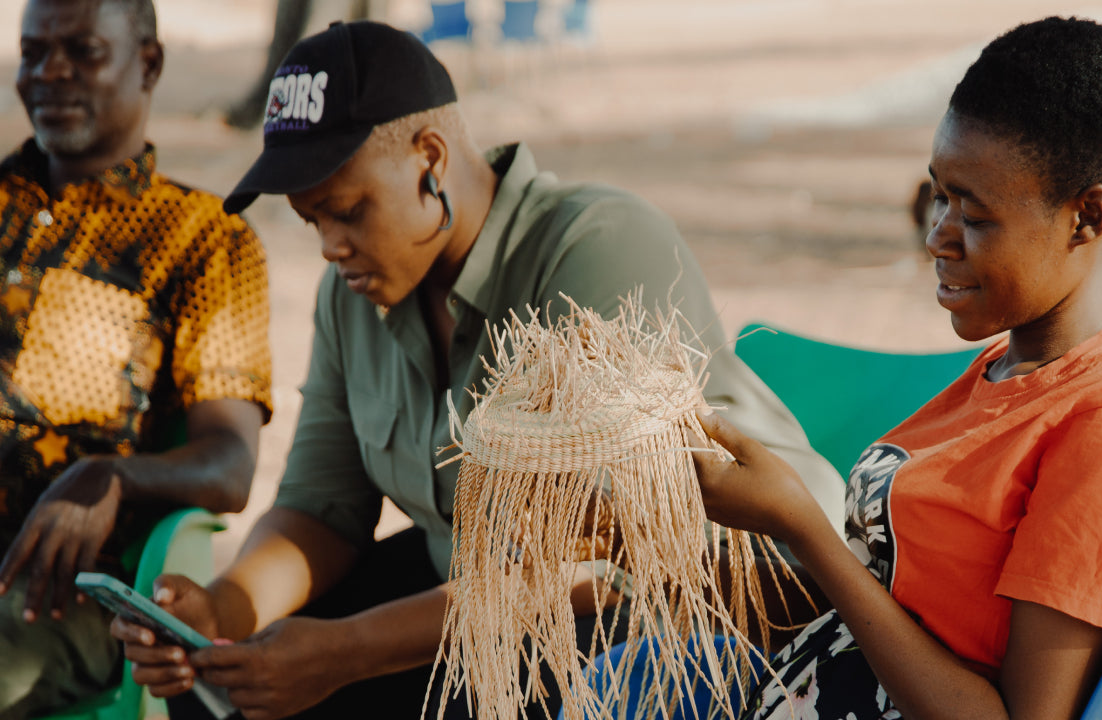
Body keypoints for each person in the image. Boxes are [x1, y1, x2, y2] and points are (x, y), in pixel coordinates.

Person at [112, 20, 842, 720]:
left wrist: (349, 652)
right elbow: (321, 506)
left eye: (348, 210)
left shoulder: (594, 245)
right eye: (313, 222)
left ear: (430, 158)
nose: (331, 247)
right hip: (481, 603)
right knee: (227, 689)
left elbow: (582, 562)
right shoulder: (355, 294)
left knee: (466, 682)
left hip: (686, 613)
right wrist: (223, 611)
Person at [692, 16, 1102, 720]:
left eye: (977, 215)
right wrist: (667, 546)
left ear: (1086, 217)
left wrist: (801, 525)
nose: (938, 236)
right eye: (940, 195)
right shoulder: (1005, 365)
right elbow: (873, 604)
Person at [0, 0, 273, 716]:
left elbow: (231, 464)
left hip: (52, 595)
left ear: (148, 63)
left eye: (83, 51)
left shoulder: (202, 240)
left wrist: (108, 474)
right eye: (33, 53)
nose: (50, 72)